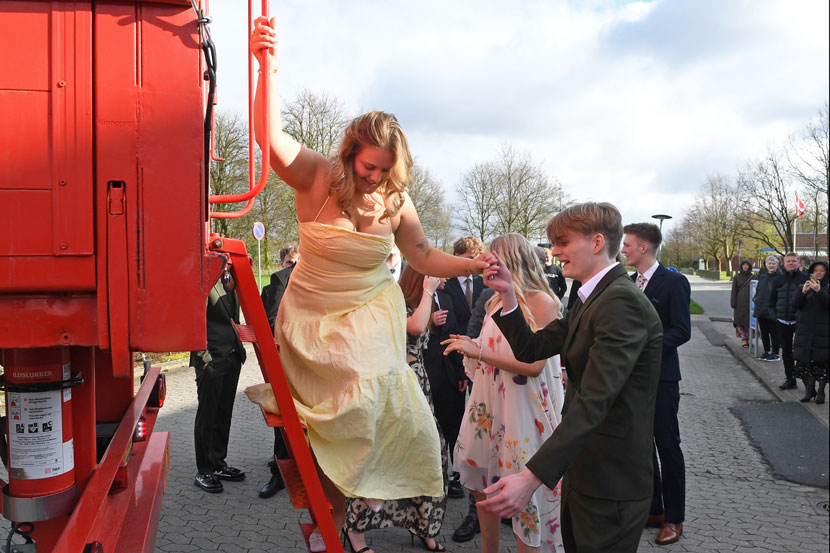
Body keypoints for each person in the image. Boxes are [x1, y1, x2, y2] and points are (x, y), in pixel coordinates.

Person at [249, 18, 490, 551]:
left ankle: (379, 507)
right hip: (314, 313)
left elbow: (424, 255)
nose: (374, 178)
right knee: (350, 412)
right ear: (349, 150)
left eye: (384, 169)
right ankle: (337, 505)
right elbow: (269, 139)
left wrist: (474, 266)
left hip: (372, 316)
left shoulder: (397, 201)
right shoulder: (315, 174)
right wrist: (268, 65)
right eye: (368, 166)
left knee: (406, 420)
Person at [477, 202, 663, 553]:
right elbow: (532, 348)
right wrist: (508, 293)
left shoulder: (620, 302)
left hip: (611, 482)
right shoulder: (591, 298)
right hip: (585, 469)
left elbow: (595, 401)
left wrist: (530, 477)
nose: (554, 251)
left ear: (596, 243)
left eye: (562, 241)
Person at [443, 233, 565, 553]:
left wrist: (478, 352)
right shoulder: (493, 300)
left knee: (523, 491)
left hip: (523, 408)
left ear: (512, 258)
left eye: (493, 257)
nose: (487, 263)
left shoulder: (543, 301)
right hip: (489, 403)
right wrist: (470, 350)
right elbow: (488, 348)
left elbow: (534, 366)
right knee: (482, 479)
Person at [345, 267, 447, 553]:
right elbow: (414, 327)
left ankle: (423, 525)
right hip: (396, 386)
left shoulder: (419, 302)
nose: (442, 278)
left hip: (419, 383)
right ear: (421, 278)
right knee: (383, 457)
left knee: (429, 455)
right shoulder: (395, 301)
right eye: (435, 275)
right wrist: (429, 289)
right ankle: (355, 532)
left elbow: (420, 330)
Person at [622, 223, 691, 546]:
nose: (623, 249)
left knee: (667, 446)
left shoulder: (674, 281)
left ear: (645, 248)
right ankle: (654, 509)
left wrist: (647, 345)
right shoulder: (630, 282)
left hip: (662, 379)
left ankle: (674, 518)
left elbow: (682, 330)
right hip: (632, 380)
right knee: (641, 447)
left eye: (628, 245)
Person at [190, 266, 248, 493]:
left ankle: (218, 463)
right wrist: (202, 356)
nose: (227, 262)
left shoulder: (229, 279)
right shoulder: (202, 279)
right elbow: (193, 319)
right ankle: (204, 470)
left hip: (232, 356)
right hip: (211, 359)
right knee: (208, 414)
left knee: (224, 413)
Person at [256, 245, 299, 499]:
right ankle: (280, 474)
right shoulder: (281, 280)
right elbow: (272, 322)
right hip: (289, 361)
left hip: (319, 364)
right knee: (283, 415)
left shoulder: (325, 280)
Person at [421, 277, 468, 500]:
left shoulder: (447, 298)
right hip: (425, 375)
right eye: (439, 273)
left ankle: (455, 476)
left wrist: (461, 373)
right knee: (429, 426)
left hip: (449, 375)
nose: (445, 277)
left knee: (454, 426)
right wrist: (428, 321)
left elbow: (455, 336)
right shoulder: (409, 299)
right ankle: (431, 477)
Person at [769, 252, 809, 390]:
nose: (791, 263)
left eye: (793, 261)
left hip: (800, 322)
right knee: (786, 351)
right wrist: (775, 316)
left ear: (798, 263)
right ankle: (790, 379)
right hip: (782, 321)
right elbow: (772, 301)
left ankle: (806, 380)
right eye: (788, 261)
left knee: (802, 351)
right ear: (784, 263)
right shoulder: (778, 280)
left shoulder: (805, 278)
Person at [793, 261, 829, 404]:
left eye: (822, 270)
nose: (819, 273)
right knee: (806, 362)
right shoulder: (803, 286)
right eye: (816, 270)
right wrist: (804, 292)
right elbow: (795, 305)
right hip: (806, 330)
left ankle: (821, 391)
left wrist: (819, 291)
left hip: (823, 330)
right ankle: (809, 390)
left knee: (822, 362)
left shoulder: (827, 288)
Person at [753, 256, 781, 361]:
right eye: (769, 263)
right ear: (766, 265)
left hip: (773, 309)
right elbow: (759, 291)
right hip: (761, 309)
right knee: (764, 333)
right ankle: (766, 351)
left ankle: (775, 353)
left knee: (774, 333)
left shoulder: (780, 277)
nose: (771, 265)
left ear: (777, 265)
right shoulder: (763, 277)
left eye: (773, 263)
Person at [731, 260, 754, 348]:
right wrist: (733, 303)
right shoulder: (737, 277)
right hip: (740, 303)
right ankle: (744, 340)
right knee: (740, 322)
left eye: (747, 265)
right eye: (743, 265)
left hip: (750, 303)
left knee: (749, 322)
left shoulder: (753, 276)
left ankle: (749, 339)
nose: (745, 266)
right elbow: (734, 291)